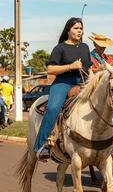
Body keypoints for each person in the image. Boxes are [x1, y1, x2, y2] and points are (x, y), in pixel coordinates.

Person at [34, 17, 92, 161]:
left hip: (82, 82)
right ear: (68, 30)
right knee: (53, 108)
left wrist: (93, 81)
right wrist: (70, 66)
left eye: (81, 28)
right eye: (76, 28)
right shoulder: (60, 48)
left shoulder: (85, 47)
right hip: (63, 82)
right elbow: (50, 69)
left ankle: (110, 144)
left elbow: (88, 68)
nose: (79, 31)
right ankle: (40, 147)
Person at [88, 33, 113, 161]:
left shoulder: (105, 57)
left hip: (105, 90)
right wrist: (101, 69)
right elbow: (88, 73)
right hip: (95, 89)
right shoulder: (90, 57)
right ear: (95, 44)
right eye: (100, 46)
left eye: (104, 47)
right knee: (111, 116)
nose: (102, 48)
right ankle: (111, 148)